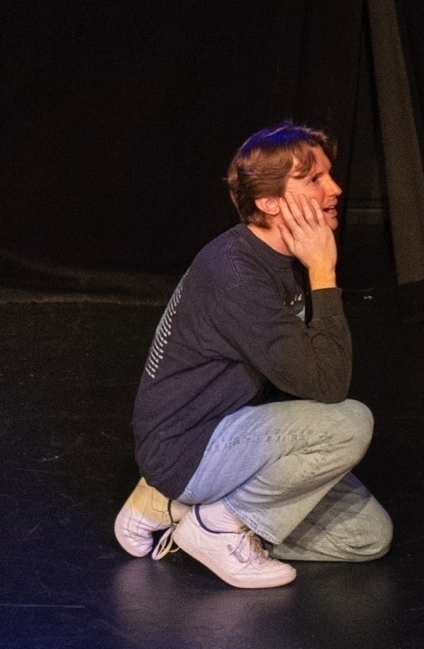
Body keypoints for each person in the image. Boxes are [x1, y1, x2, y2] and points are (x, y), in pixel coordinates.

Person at [115, 123, 391, 589]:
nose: (336, 189)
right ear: (269, 202)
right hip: (188, 444)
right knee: (350, 423)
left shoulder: (282, 256)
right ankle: (216, 526)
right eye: (315, 180)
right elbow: (328, 386)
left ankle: (181, 511)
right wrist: (324, 272)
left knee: (367, 537)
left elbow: (301, 377)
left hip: (233, 432)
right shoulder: (236, 273)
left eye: (329, 175)